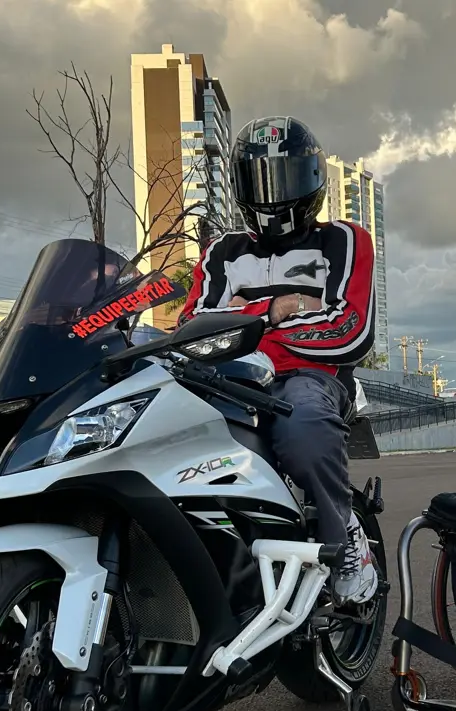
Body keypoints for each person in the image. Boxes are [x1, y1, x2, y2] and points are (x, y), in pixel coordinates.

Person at [175, 116, 379, 605]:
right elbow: (191, 327)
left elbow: (349, 330)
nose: (271, 193)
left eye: (283, 177)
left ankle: (343, 530)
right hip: (225, 380)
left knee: (303, 431)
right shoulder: (222, 251)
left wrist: (245, 328)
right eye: (258, 179)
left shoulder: (344, 240)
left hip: (309, 378)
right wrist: (274, 310)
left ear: (311, 180)